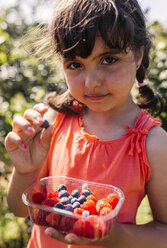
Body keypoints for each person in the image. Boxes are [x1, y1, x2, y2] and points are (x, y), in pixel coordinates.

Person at [5, 0, 167, 247]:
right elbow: (19, 208)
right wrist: (25, 172)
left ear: (139, 54)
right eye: (75, 65)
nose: (91, 82)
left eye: (109, 59)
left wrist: (116, 236)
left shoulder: (153, 144)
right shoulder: (53, 123)